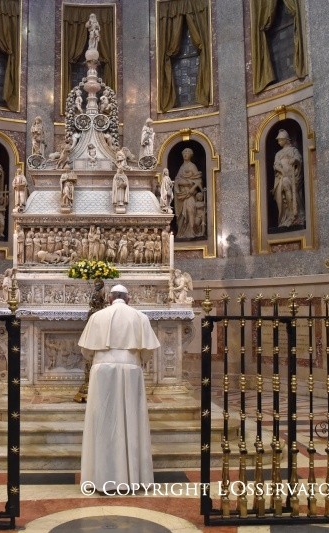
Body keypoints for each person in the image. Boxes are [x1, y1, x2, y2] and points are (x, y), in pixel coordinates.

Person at [78, 284, 159, 492]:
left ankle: (101, 478)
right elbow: (148, 352)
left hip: (101, 370)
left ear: (110, 298)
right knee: (132, 419)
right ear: (128, 299)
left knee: (103, 422)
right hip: (131, 368)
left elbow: (86, 351)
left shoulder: (97, 317)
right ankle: (133, 477)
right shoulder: (140, 317)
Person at [271, 129, 304, 227]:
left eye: (280, 140)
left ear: (286, 139)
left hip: (293, 177)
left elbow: (299, 159)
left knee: (293, 190)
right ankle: (289, 215)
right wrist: (281, 171)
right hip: (283, 177)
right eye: (278, 140)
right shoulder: (278, 154)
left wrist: (295, 160)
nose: (278, 142)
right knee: (285, 183)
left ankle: (296, 214)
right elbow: (276, 165)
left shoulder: (293, 150)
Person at [173, 148, 203, 238]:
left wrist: (192, 187)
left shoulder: (192, 166)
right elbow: (177, 180)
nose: (185, 154)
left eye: (188, 153)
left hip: (189, 194)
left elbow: (199, 180)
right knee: (181, 215)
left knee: (191, 211)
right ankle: (182, 233)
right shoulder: (181, 167)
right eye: (184, 153)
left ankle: (193, 232)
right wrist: (182, 182)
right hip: (181, 195)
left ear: (191, 155)